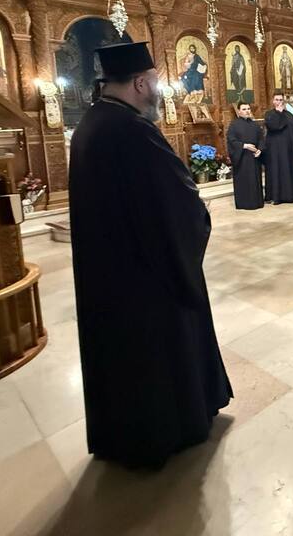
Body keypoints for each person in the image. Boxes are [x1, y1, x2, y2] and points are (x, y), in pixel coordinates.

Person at [68, 41, 232, 468]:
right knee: (156, 351)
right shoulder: (132, 130)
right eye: (156, 81)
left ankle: (126, 435)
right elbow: (175, 202)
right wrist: (197, 211)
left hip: (111, 276)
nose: (159, 90)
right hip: (146, 278)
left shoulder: (91, 125)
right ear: (140, 83)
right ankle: (168, 429)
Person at [262, 91, 293, 204]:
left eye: (281, 100)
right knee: (276, 170)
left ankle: (291, 194)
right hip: (275, 149)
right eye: (277, 100)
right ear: (273, 101)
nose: (279, 102)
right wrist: (279, 113)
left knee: (288, 170)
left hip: (288, 149)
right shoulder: (269, 114)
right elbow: (274, 126)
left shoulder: (289, 115)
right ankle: (276, 196)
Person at [226, 101, 264, 210]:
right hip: (242, 158)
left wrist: (260, 150)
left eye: (248, 109)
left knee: (254, 180)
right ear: (239, 111)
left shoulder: (255, 125)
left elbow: (261, 139)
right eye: (244, 109)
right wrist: (245, 146)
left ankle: (257, 202)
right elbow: (231, 140)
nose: (247, 111)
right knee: (244, 181)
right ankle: (244, 203)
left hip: (254, 158)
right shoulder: (234, 125)